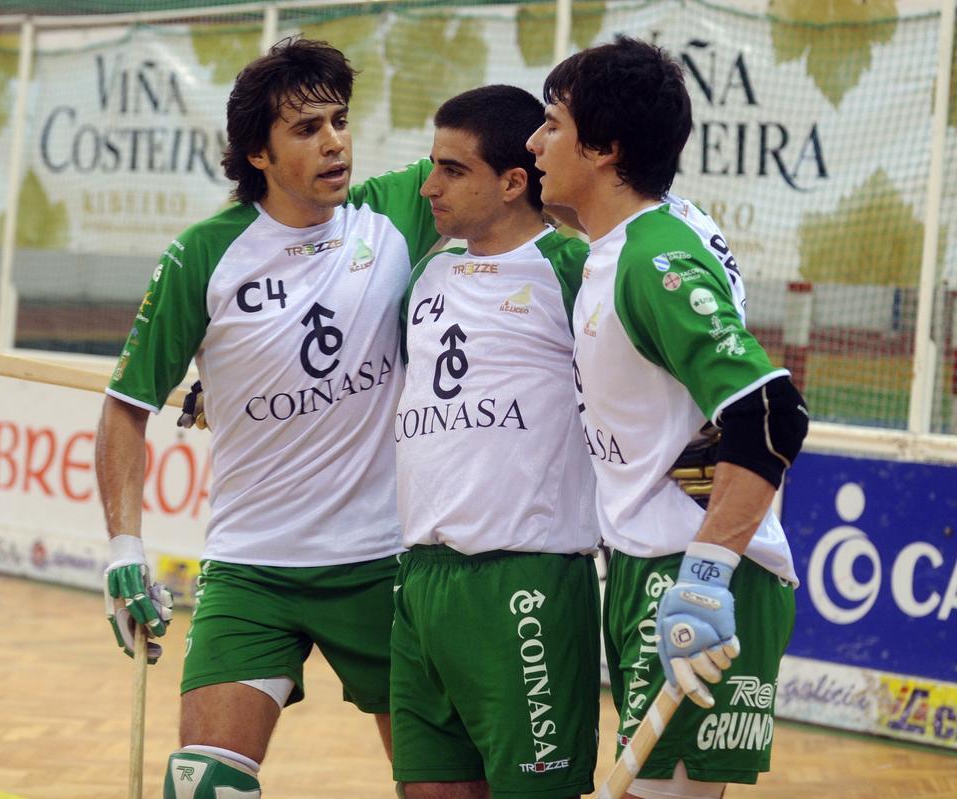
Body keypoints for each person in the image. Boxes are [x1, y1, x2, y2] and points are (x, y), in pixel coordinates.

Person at [95, 37, 441, 798]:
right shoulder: (203, 255)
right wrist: (123, 543)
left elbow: (525, 175)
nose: (334, 142)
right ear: (258, 152)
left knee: (448, 791)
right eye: (307, 128)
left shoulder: (395, 213)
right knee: (202, 785)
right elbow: (125, 407)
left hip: (383, 563)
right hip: (255, 566)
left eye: (340, 120)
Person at [526, 36, 810, 799]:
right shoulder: (615, 249)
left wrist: (708, 576)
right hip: (639, 563)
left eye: (553, 122)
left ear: (606, 148)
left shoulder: (653, 257)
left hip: (692, 573)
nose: (533, 141)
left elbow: (771, 409)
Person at [391, 84, 601, 799]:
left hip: (526, 582)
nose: (428, 187)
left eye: (452, 169)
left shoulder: (574, 273)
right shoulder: (425, 275)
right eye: (432, 166)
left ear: (514, 182)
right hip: (421, 581)